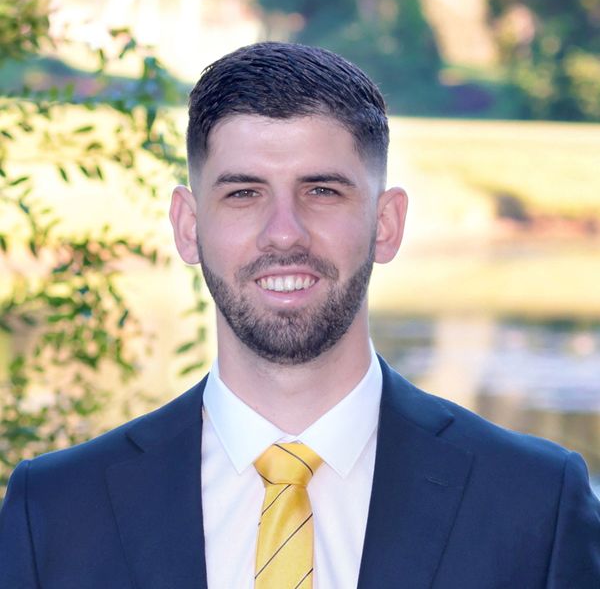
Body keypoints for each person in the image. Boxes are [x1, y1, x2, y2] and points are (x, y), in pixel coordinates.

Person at [1, 41, 599, 589]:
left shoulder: (536, 506)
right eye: (243, 193)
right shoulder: (54, 510)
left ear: (386, 224)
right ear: (188, 227)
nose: (284, 233)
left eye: (322, 191)